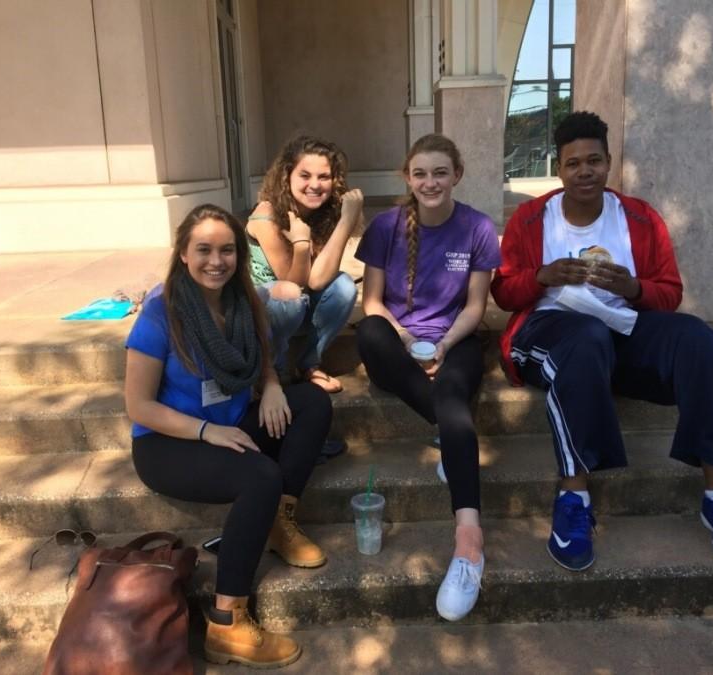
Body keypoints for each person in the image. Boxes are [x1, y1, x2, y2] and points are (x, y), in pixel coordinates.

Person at [491, 111, 713, 572]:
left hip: (621, 325)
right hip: (550, 330)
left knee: (708, 347)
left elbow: (669, 293)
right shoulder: (532, 218)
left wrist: (632, 288)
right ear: (559, 168)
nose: (584, 172)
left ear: (609, 162)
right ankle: (574, 497)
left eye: (593, 161)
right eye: (573, 163)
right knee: (586, 337)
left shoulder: (637, 217)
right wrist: (543, 276)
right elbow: (504, 292)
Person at [124, 204, 332, 669]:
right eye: (203, 250)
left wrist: (275, 386)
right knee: (260, 476)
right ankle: (226, 623)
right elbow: (138, 406)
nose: (215, 261)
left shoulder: (244, 303)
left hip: (229, 422)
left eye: (226, 250)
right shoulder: (161, 315)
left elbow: (262, 360)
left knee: (313, 402)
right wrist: (206, 430)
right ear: (182, 254)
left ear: (240, 254)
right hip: (168, 441)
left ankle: (279, 520)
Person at [355, 134, 501, 621]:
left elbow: (476, 307)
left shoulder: (478, 228)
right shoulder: (385, 226)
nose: (430, 182)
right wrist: (405, 342)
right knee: (370, 333)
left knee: (455, 398)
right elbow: (371, 302)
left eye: (440, 172)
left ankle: (469, 544)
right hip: (396, 347)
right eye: (420, 173)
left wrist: (440, 346)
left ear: (457, 173)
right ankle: (452, 440)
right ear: (407, 177)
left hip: (455, 340)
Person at [247, 135, 362, 393]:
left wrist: (346, 221)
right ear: (287, 177)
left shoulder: (323, 215)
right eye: (305, 175)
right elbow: (293, 285)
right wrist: (300, 245)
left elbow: (318, 280)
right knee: (290, 299)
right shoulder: (267, 215)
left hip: (298, 306)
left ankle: (309, 363)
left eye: (324, 177)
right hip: (261, 314)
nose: (315, 185)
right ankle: (271, 372)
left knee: (344, 287)